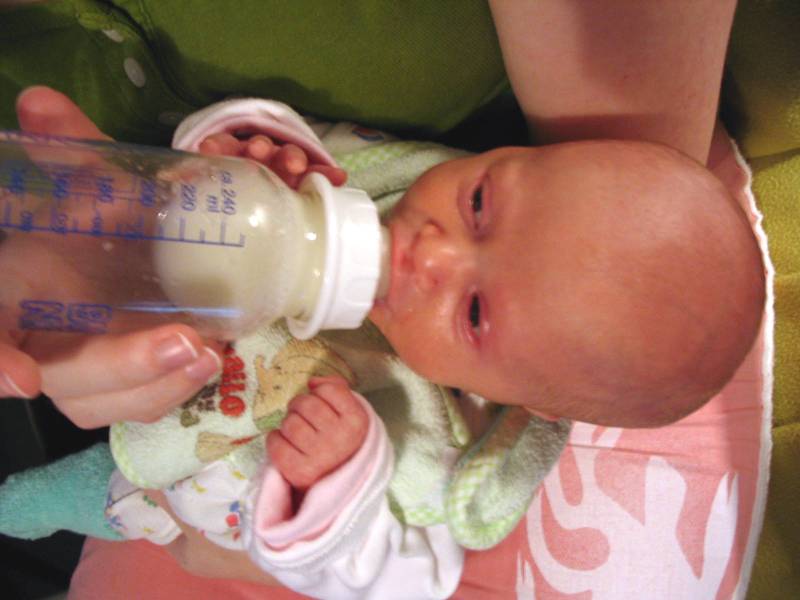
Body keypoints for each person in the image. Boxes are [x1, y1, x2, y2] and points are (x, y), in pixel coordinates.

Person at [0, 88, 764, 599]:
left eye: (474, 312)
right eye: (479, 203)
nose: (433, 252)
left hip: (185, 500)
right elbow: (267, 139)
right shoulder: (391, 182)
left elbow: (397, 583)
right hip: (120, 309)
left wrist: (338, 482)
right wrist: (248, 154)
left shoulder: (458, 455)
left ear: (525, 400)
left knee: (95, 501)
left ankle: (35, 505)